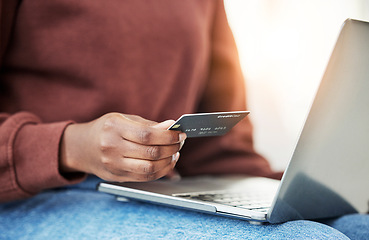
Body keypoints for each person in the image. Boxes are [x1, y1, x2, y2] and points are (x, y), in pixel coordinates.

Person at [0, 1, 367, 239]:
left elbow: (220, 153)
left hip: (162, 192)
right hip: (35, 197)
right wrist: (71, 146)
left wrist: (306, 188)